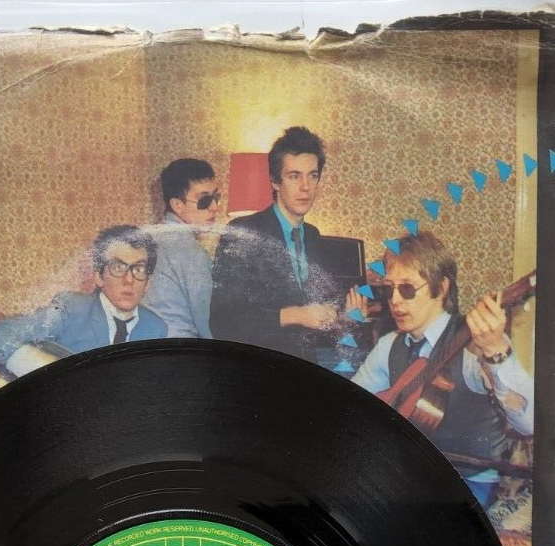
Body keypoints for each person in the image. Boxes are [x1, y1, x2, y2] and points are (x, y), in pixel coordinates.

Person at [352, 231, 533, 507]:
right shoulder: (390, 345)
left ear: (442, 287)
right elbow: (352, 405)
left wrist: (497, 351)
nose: (395, 300)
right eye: (389, 289)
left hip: (468, 485)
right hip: (411, 477)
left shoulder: (476, 344)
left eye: (407, 289)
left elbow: (529, 422)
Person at [210, 125, 362, 363]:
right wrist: (296, 315)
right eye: (294, 176)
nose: (305, 187)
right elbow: (224, 323)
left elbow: (317, 321)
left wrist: (344, 319)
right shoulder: (243, 232)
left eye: (313, 175)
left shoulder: (313, 236)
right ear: (275, 181)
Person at [0, 224, 167, 377]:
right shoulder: (71, 308)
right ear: (98, 276)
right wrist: (51, 374)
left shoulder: (156, 328)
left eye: (139, 269)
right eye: (118, 267)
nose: (129, 280)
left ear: (148, 283)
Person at [143, 158, 220, 338]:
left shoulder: (149, 239)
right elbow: (208, 323)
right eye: (204, 200)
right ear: (177, 205)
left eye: (216, 197)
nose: (214, 207)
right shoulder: (192, 253)